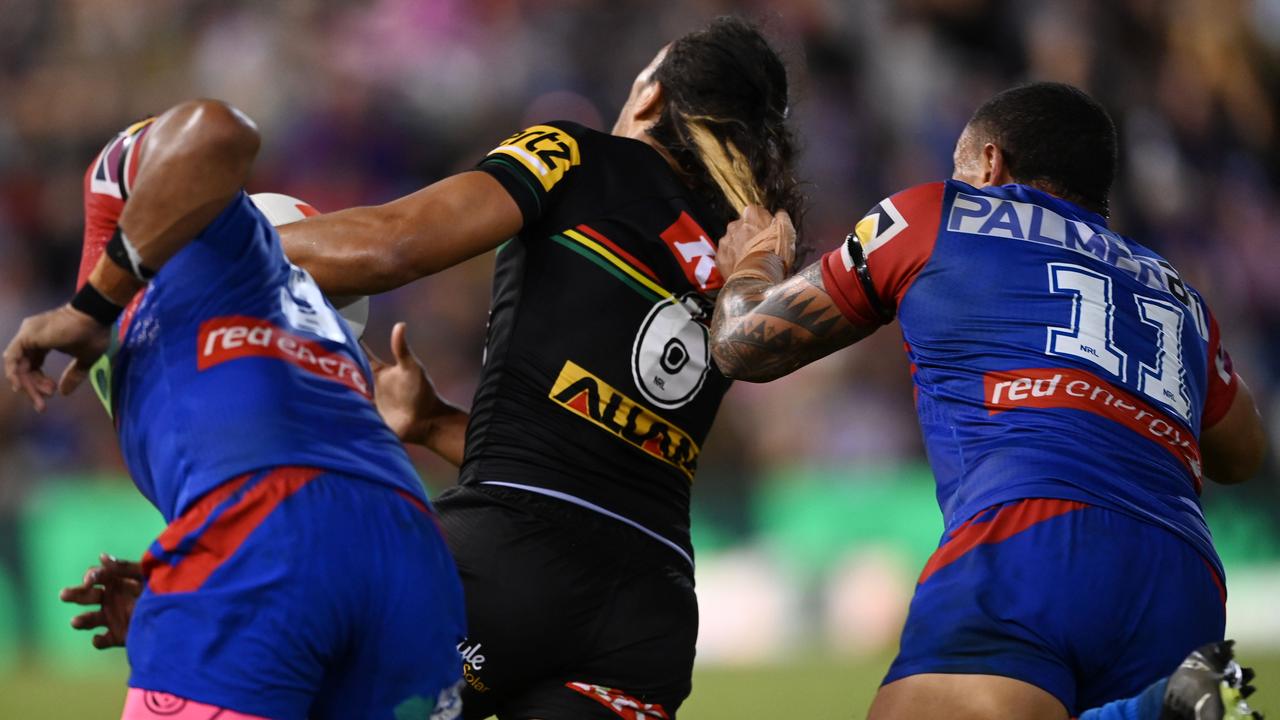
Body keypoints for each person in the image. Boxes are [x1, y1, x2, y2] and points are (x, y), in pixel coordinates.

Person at [277, 16, 802, 720]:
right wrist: (432, 423)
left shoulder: (576, 157)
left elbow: (391, 246)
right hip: (648, 623)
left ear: (649, 98)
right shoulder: (742, 255)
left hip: (504, 565)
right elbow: (604, 477)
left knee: (280, 680)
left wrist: (202, 244)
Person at [707, 82, 1267, 720]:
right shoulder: (1178, 293)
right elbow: (1244, 451)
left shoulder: (936, 214)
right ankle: (1156, 708)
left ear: (991, 163)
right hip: (1186, 577)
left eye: (959, 167)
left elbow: (741, 346)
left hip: (1028, 531)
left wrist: (752, 262)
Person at [4, 100, 465, 720]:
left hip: (259, 533)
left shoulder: (188, 238)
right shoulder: (339, 357)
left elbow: (217, 130)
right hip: (411, 551)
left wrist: (92, 305)